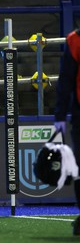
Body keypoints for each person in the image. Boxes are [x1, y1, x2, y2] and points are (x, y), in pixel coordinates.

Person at [54, 29, 80, 235]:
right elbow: (66, 80)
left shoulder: (75, 39)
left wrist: (60, 116)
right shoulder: (74, 40)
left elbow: (65, 81)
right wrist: (60, 115)